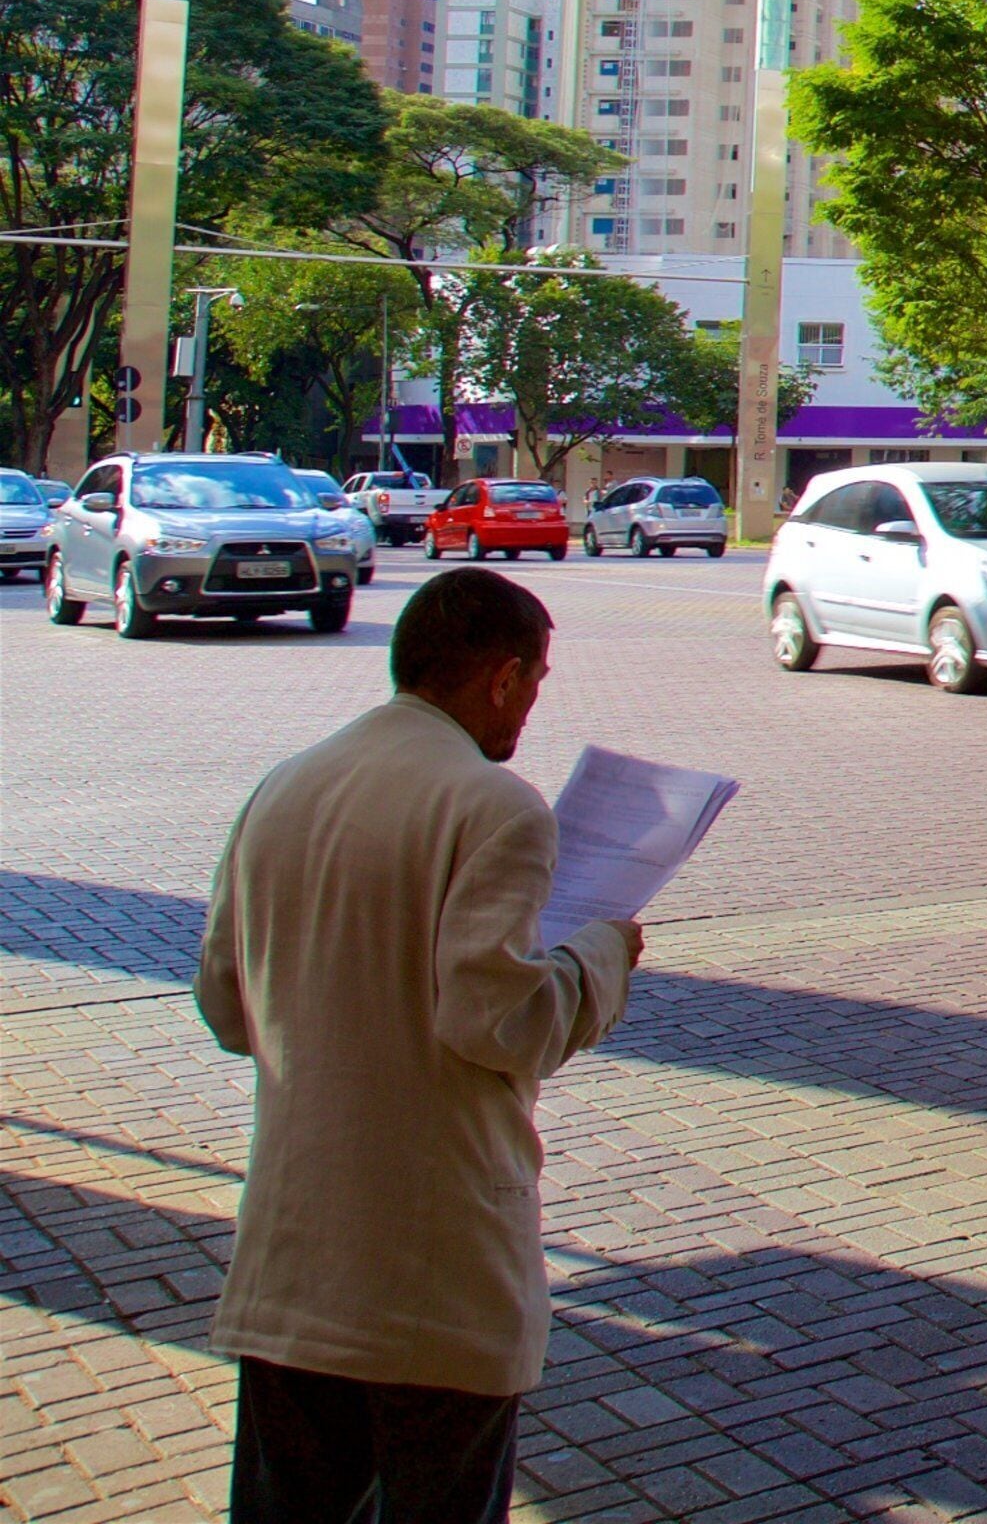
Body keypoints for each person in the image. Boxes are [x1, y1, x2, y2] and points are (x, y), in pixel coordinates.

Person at [195, 568, 645, 1523]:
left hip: (293, 1262)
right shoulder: (496, 807)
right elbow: (499, 1021)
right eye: (535, 682)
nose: (531, 705)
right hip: (436, 1275)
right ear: (502, 676)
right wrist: (601, 956)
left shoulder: (284, 785)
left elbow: (226, 1006)